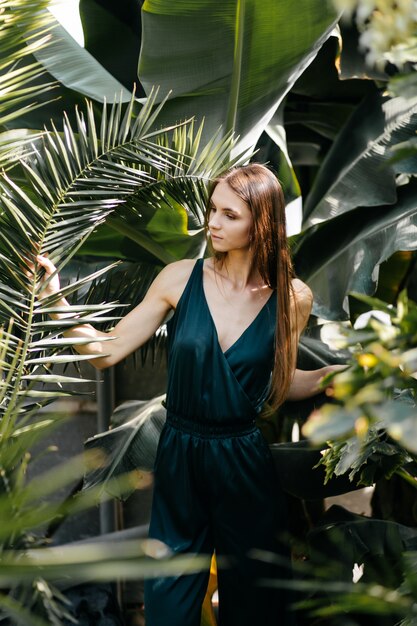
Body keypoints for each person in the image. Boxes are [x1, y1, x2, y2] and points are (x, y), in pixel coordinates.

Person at [36, 163, 339, 626]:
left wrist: (329, 377)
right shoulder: (180, 278)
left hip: (243, 459)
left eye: (229, 215)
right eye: (212, 210)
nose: (213, 223)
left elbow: (276, 385)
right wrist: (54, 298)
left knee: (256, 602)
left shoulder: (292, 297)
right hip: (180, 454)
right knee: (168, 603)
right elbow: (104, 351)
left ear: (262, 222)